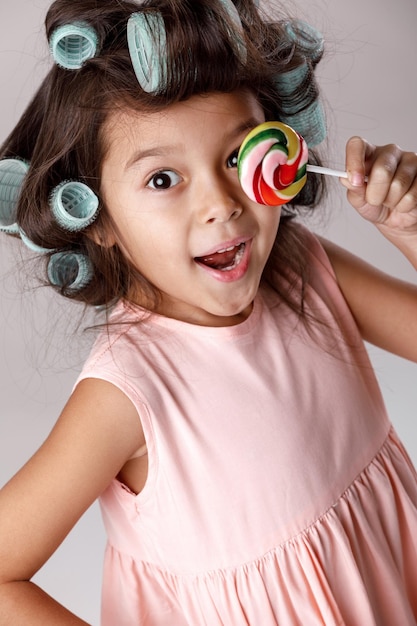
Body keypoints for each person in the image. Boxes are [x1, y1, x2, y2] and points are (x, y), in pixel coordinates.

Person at [0, 0, 417, 624]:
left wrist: (410, 231)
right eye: (163, 180)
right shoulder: (127, 394)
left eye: (233, 158)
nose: (221, 205)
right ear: (100, 218)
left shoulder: (302, 266)